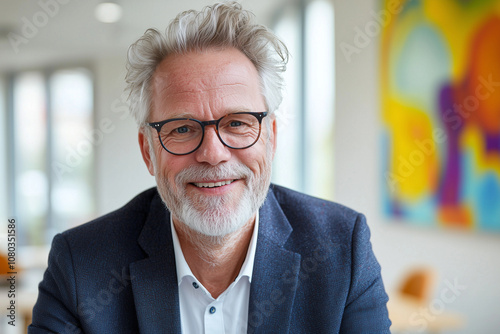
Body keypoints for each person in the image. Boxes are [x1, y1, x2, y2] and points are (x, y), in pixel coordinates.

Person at [29, 2, 391, 333]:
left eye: (237, 123)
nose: (213, 154)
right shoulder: (80, 266)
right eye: (183, 129)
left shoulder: (342, 250)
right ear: (147, 150)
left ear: (271, 137)